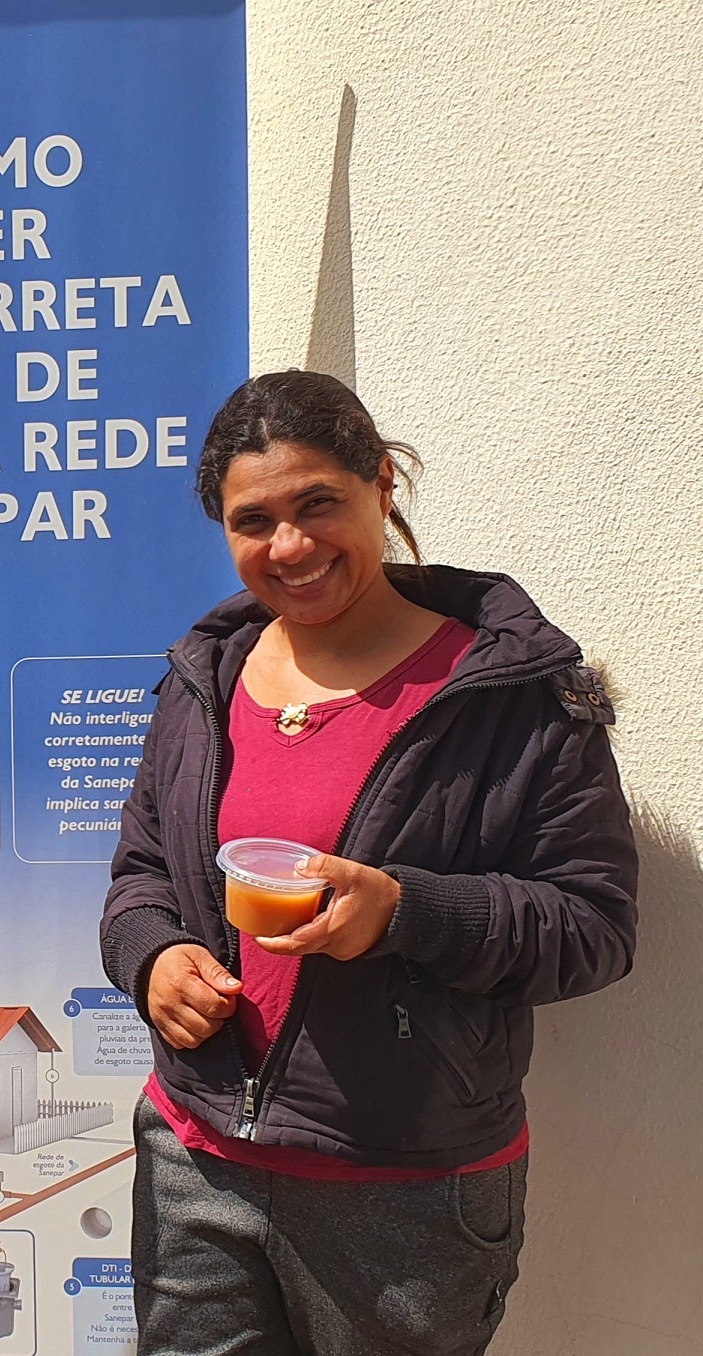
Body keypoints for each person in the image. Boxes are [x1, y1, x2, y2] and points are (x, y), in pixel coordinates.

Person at [101, 370, 637, 1355]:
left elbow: (593, 928)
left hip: (407, 1198)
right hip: (196, 1162)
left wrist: (404, 911)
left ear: (380, 484)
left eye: (317, 504)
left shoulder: (514, 692)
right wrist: (151, 959)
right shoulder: (199, 680)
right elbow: (138, 874)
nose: (289, 547)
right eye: (252, 520)